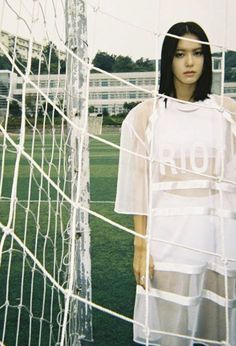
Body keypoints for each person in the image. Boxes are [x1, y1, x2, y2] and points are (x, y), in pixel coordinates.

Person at [115, 22, 236, 346]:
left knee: (215, 332)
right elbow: (138, 186)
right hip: (168, 243)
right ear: (168, 58)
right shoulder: (147, 115)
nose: (190, 62)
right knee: (170, 333)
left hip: (217, 241)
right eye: (181, 54)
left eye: (197, 53)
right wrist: (141, 247)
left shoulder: (226, 113)